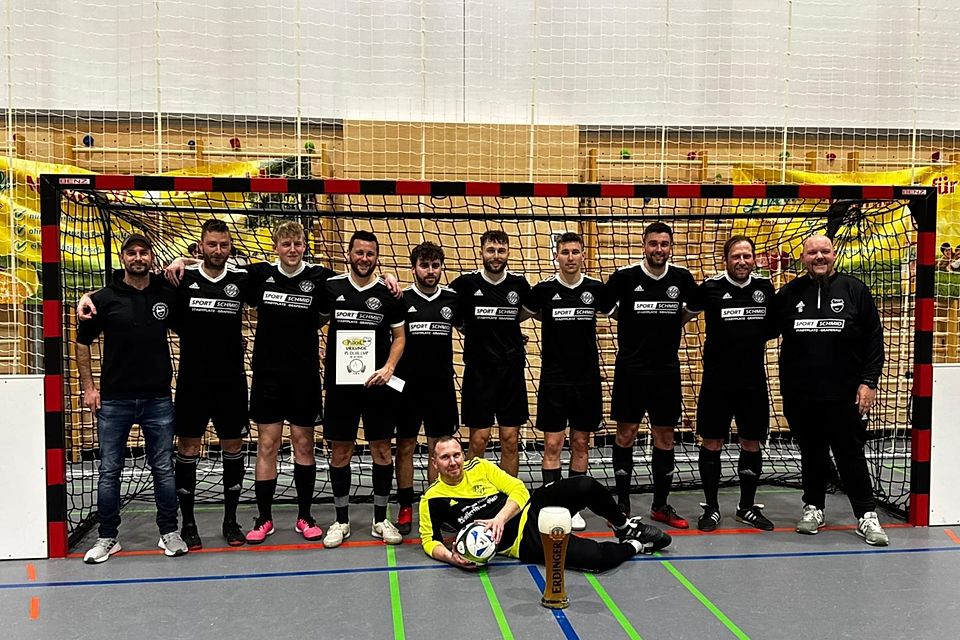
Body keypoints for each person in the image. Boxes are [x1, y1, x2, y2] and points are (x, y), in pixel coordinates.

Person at [76, 233, 188, 563]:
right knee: (110, 470)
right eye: (132, 253)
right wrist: (89, 388)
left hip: (157, 398)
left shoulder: (166, 292)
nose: (138, 258)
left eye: (144, 252)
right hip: (114, 400)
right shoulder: (105, 299)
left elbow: (217, 263)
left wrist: (183, 260)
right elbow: (82, 343)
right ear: (123, 258)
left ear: (151, 257)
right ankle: (107, 538)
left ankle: (169, 532)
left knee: (163, 470)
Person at [774, 234, 889, 546]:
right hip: (801, 394)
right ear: (803, 257)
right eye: (813, 252)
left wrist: (869, 382)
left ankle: (866, 515)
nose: (819, 257)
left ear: (834, 254)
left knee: (849, 453)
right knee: (812, 452)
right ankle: (814, 507)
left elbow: (874, 340)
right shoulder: (790, 292)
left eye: (824, 251)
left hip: (845, 393)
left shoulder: (854, 290)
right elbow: (762, 328)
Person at [419, 436, 672, 572]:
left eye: (456, 455)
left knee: (583, 484)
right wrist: (453, 558)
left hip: (532, 509)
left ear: (463, 455)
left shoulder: (481, 467)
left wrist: (499, 519)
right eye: (444, 457)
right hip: (521, 543)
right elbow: (430, 541)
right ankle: (635, 545)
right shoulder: (431, 499)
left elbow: (519, 490)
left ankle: (623, 526)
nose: (452, 462)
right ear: (434, 463)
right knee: (595, 559)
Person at [603, 221, 698, 528]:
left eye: (664, 244)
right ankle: (622, 505)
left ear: (671, 247)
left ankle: (660, 505)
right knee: (625, 434)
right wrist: (628, 319)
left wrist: (674, 323)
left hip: (666, 371)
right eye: (654, 243)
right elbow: (606, 306)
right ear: (644, 245)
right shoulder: (625, 277)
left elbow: (693, 308)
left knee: (665, 438)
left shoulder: (681, 278)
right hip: (630, 369)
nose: (659, 249)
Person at [321, 230, 407, 548]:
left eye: (370, 254)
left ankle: (380, 519)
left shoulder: (388, 293)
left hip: (377, 386)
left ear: (376, 256)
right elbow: (311, 321)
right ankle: (341, 521)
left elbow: (399, 338)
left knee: (382, 450)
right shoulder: (331, 287)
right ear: (349, 253)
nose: (364, 259)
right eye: (359, 252)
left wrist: (389, 368)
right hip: (341, 387)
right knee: (340, 451)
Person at [686, 236, 776, 532]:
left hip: (752, 380)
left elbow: (774, 326)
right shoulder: (711, 288)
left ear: (754, 259)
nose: (741, 261)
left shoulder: (765, 288)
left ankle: (746, 508)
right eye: (736, 256)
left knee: (751, 441)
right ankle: (711, 508)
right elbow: (683, 313)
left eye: (747, 256)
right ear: (726, 259)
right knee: (712, 442)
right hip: (716, 381)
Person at [523, 232, 606, 532]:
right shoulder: (544, 290)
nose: (570, 257)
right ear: (556, 256)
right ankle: (551, 505)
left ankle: (573, 508)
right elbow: (516, 315)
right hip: (554, 379)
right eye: (565, 252)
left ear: (583, 255)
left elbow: (624, 312)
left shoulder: (596, 289)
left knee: (582, 443)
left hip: (586, 380)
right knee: (553, 444)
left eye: (575, 252)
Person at [449, 230, 532, 477]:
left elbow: (526, 313)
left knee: (509, 439)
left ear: (508, 253)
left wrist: (510, 334)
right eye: (491, 250)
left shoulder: (519, 284)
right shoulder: (465, 284)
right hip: (479, 372)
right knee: (479, 440)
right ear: (482, 252)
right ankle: (476, 495)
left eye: (501, 250)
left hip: (511, 372)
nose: (496, 256)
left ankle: (509, 498)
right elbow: (446, 310)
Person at [392, 242, 461, 535]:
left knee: (439, 449)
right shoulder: (400, 298)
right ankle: (406, 506)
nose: (430, 271)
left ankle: (435, 506)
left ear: (441, 267)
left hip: (441, 387)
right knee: (405, 446)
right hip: (406, 389)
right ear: (414, 268)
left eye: (435, 266)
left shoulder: (453, 299)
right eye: (424, 265)